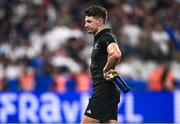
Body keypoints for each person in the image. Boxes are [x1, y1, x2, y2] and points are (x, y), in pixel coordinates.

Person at [81, 5, 122, 123]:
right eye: (85, 21)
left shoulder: (105, 38)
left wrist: (106, 69)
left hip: (103, 92)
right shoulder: (99, 39)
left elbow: (116, 54)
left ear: (99, 22)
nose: (85, 25)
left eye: (89, 21)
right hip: (109, 92)